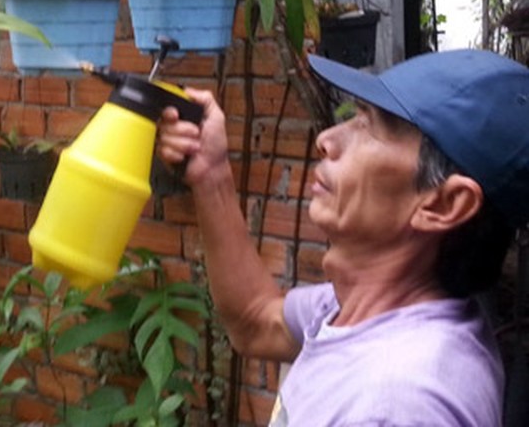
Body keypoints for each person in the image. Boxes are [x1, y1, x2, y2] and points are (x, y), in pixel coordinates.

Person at [156, 49, 529, 426]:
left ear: (445, 204)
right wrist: (211, 174)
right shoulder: (365, 311)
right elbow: (255, 321)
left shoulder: (398, 402)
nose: (326, 139)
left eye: (370, 127)